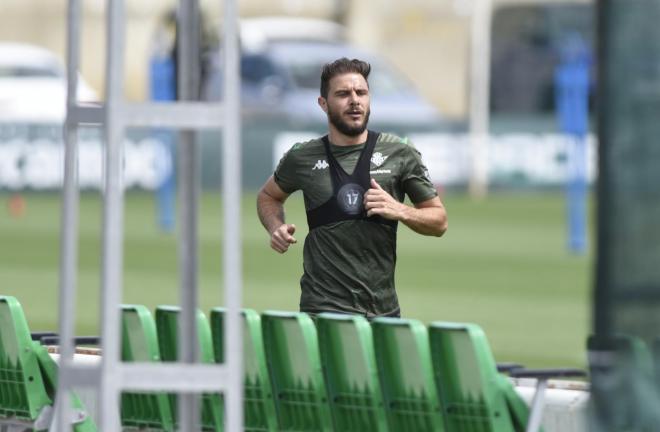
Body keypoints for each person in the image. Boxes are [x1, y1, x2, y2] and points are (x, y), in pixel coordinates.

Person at [256, 57, 447, 318]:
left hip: (382, 312)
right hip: (321, 311)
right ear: (323, 104)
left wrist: (400, 210)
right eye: (343, 94)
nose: (354, 100)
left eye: (361, 92)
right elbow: (268, 196)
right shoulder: (302, 157)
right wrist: (275, 227)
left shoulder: (400, 151)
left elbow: (439, 221)